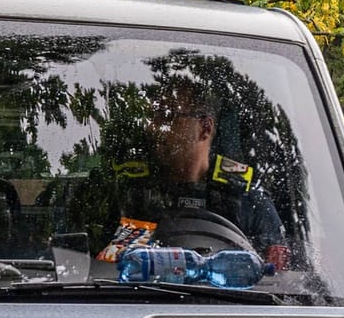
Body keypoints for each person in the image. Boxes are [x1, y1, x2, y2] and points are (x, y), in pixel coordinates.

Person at [91, 77, 285, 267]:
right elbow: (92, 266)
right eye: (153, 116)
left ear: (205, 128)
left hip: (228, 298)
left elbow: (276, 277)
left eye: (167, 116)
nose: (153, 128)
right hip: (134, 295)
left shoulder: (245, 197)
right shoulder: (132, 190)